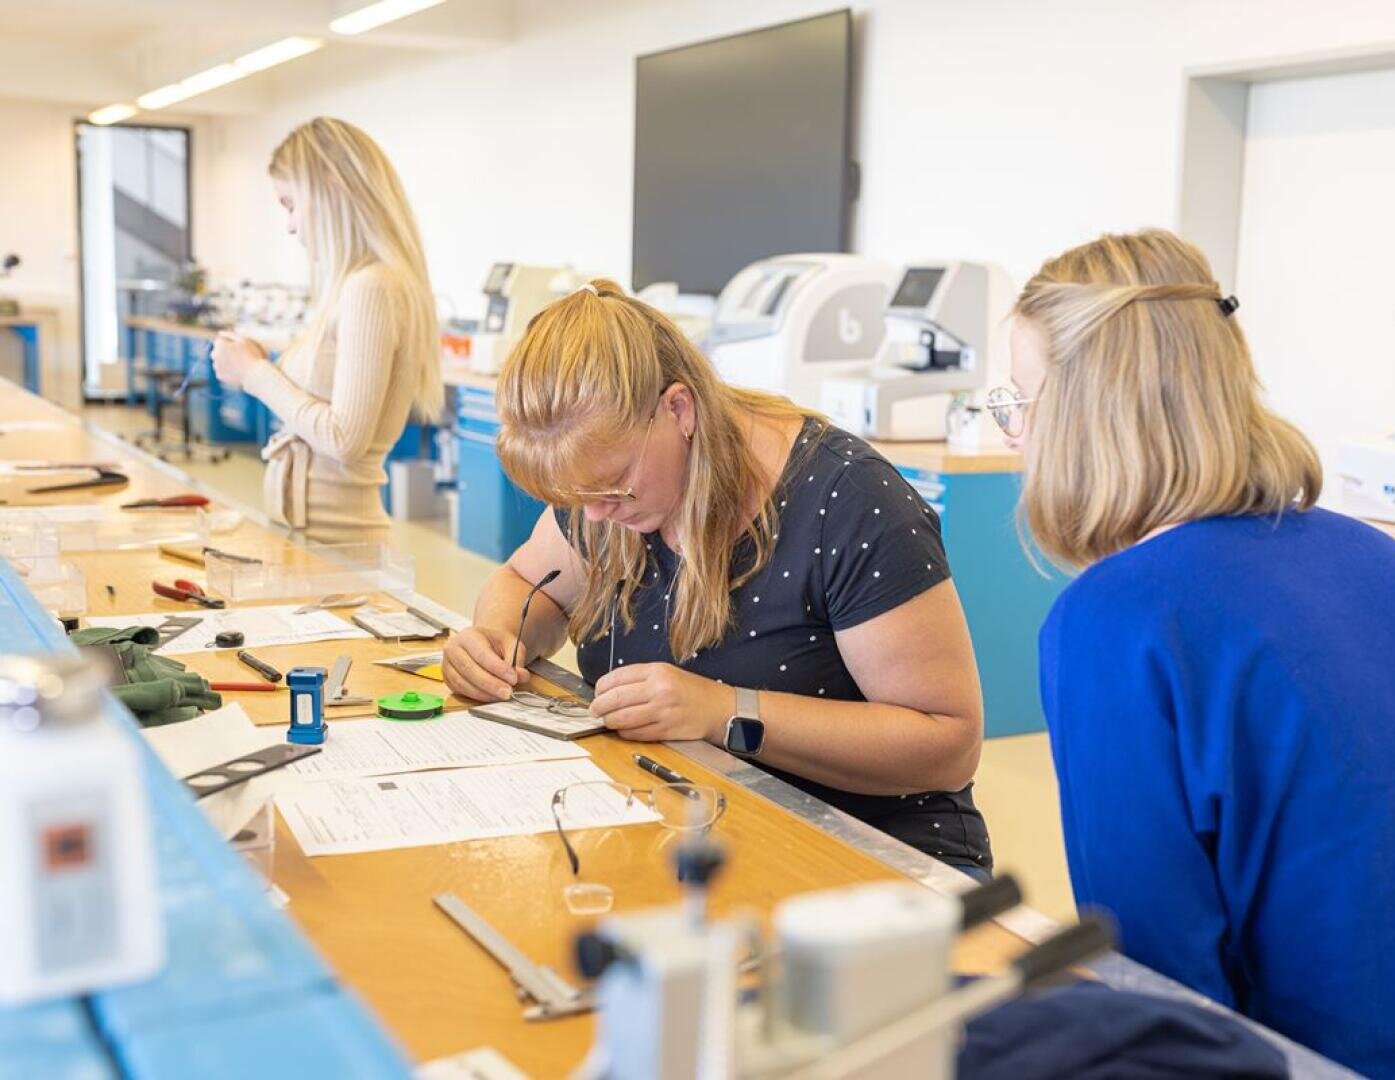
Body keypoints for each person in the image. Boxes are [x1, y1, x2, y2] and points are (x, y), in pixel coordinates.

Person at [1000, 228, 1395, 1077]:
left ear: (1082, 414)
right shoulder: (1384, 558)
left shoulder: (1115, 622)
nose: (1011, 438)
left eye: (1020, 403)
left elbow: (1155, 976)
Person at [442, 279, 993, 877]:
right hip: (697, 828)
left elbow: (948, 745)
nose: (595, 515)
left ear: (679, 409)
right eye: (578, 497)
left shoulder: (849, 501)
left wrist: (724, 711)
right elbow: (530, 582)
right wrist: (496, 638)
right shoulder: (607, 494)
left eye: (611, 486)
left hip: (870, 853)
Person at [210, 117, 441, 544]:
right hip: (315, 541)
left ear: (330, 193)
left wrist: (254, 375)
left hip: (340, 546)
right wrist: (263, 366)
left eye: (291, 205)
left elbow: (344, 438)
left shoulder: (370, 286)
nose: (291, 226)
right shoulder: (358, 285)